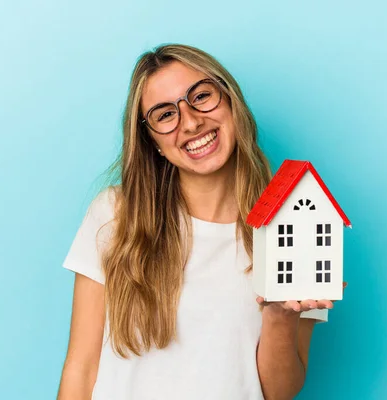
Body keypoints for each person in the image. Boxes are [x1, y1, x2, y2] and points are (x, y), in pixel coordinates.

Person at [57, 43, 342, 400]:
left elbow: (278, 392)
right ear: (154, 143)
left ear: (230, 99)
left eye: (201, 96)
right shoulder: (115, 215)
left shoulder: (294, 228)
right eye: (165, 115)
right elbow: (80, 370)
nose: (191, 122)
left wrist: (278, 316)